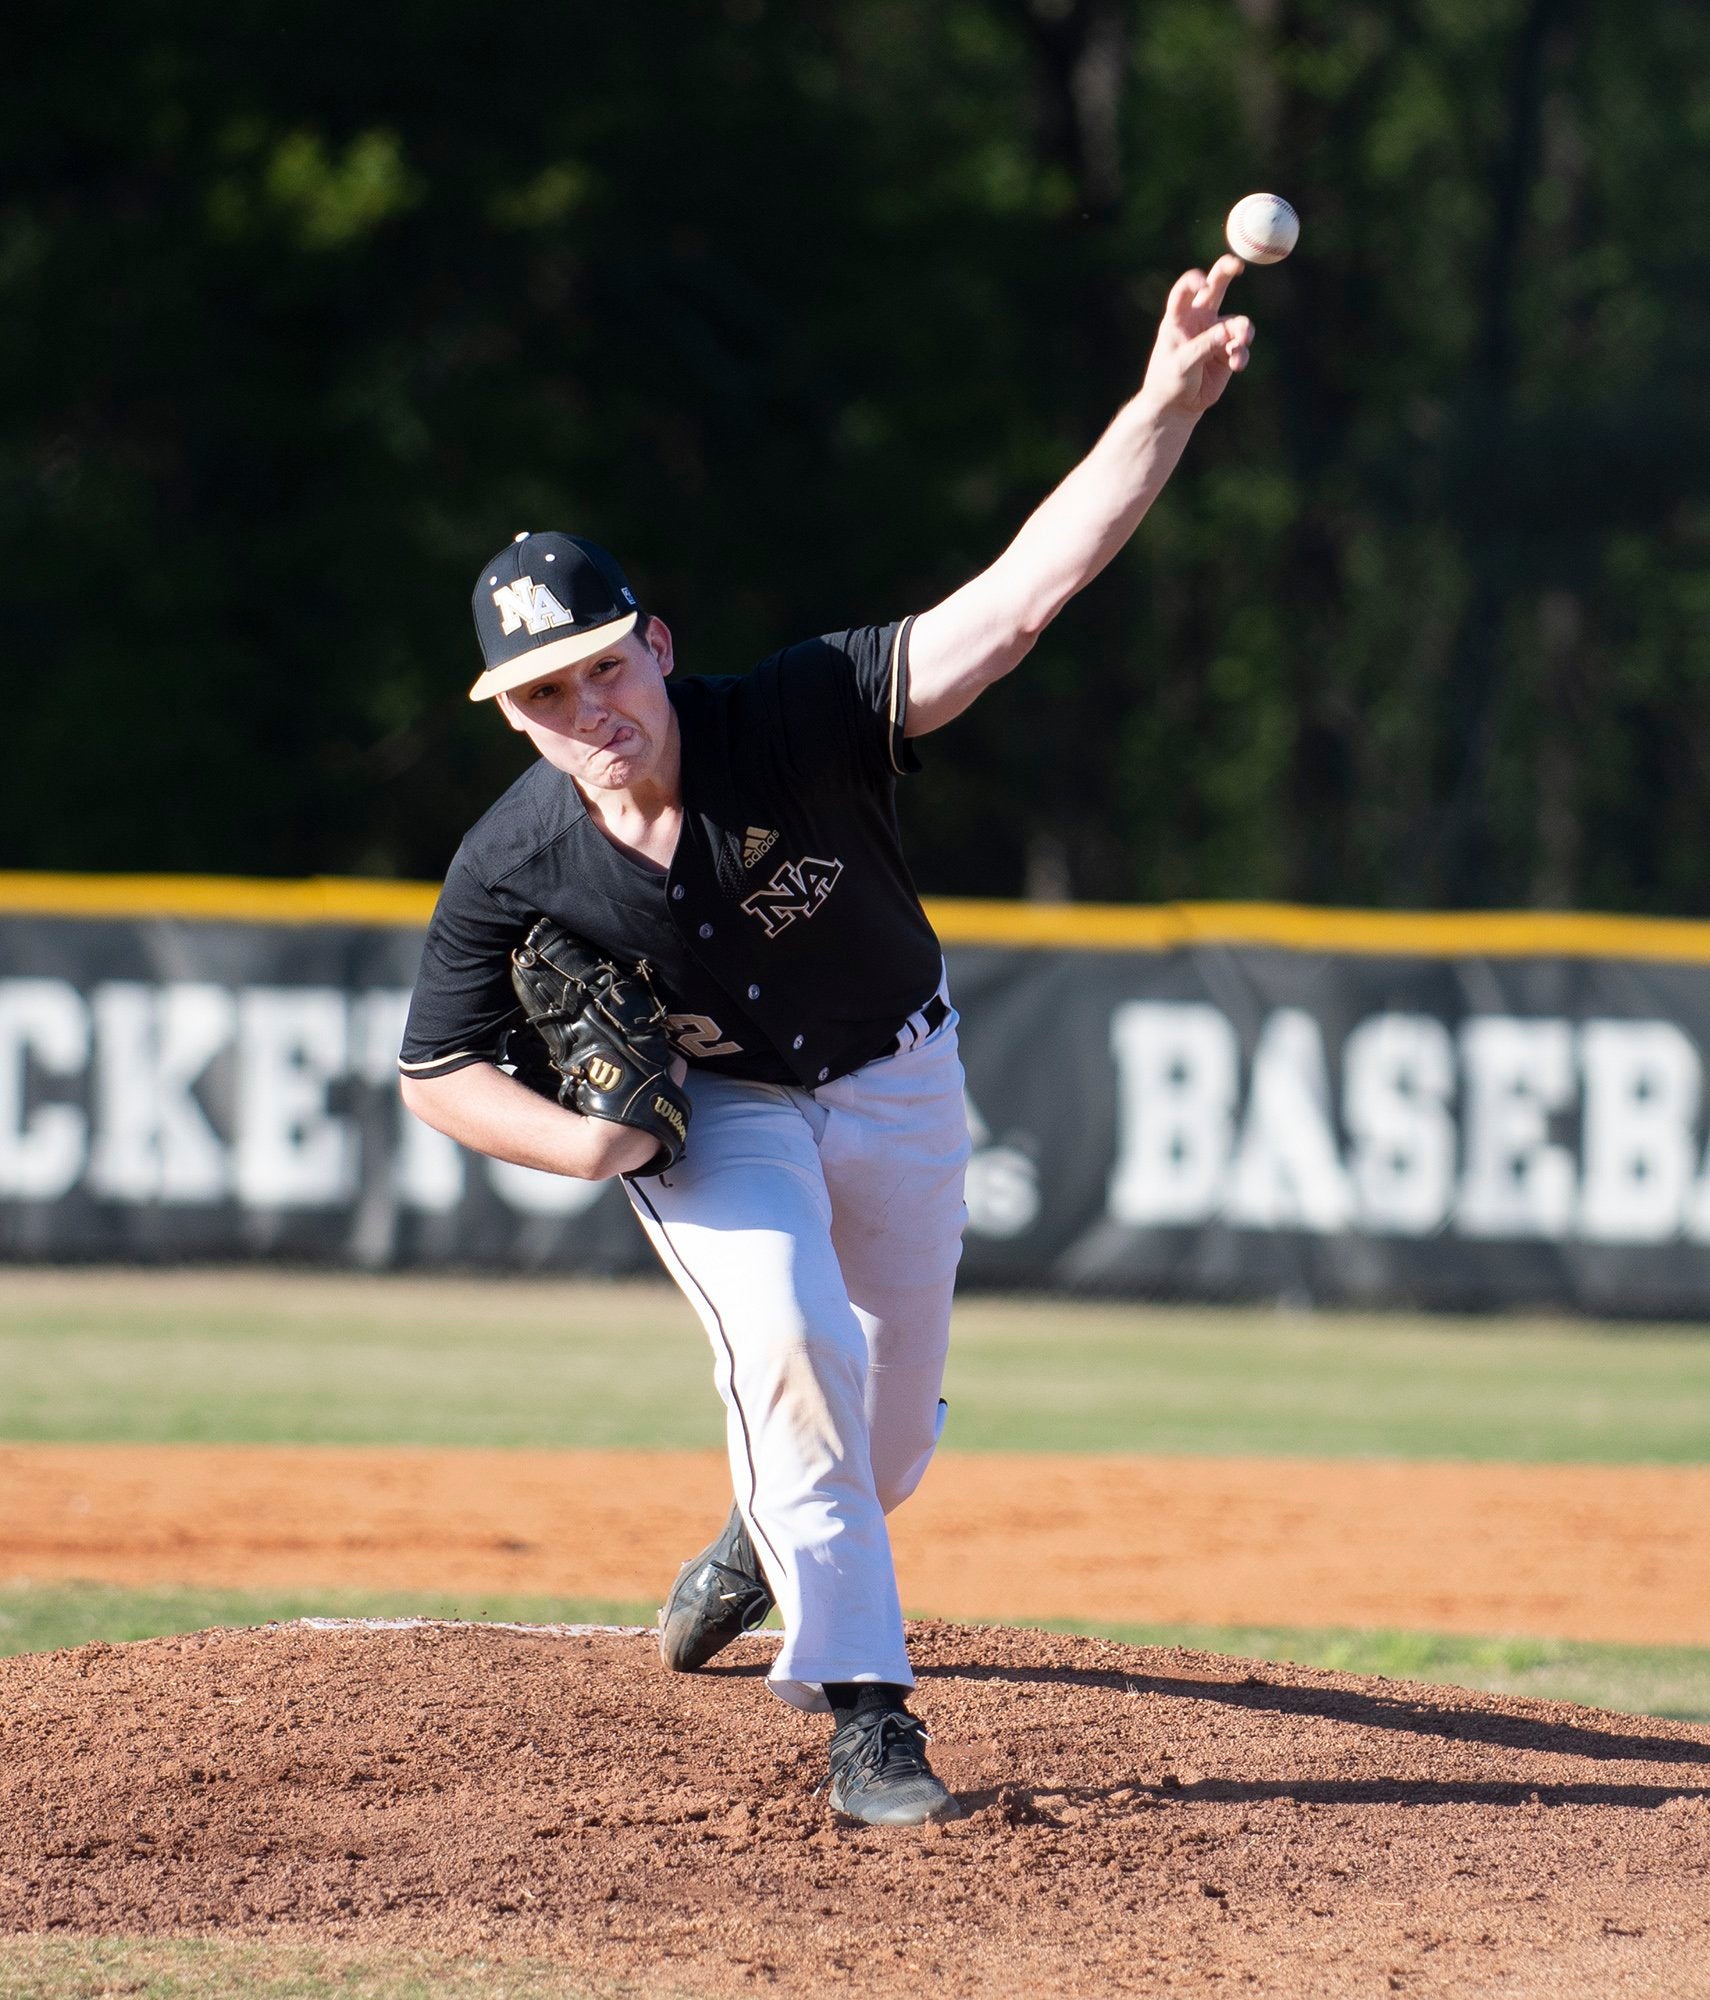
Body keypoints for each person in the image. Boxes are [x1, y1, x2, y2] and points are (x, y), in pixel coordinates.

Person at [398, 255, 1253, 1826]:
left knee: (888, 1432)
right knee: (789, 1336)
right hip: (712, 1110)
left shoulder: (791, 715)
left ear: (653, 643)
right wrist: (587, 1141)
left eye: (599, 667)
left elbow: (1009, 610)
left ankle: (760, 1532)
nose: (585, 711)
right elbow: (436, 1071)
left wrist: (1156, 413)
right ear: (508, 718)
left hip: (899, 1072)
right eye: (541, 697)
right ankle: (870, 1719)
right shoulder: (510, 861)